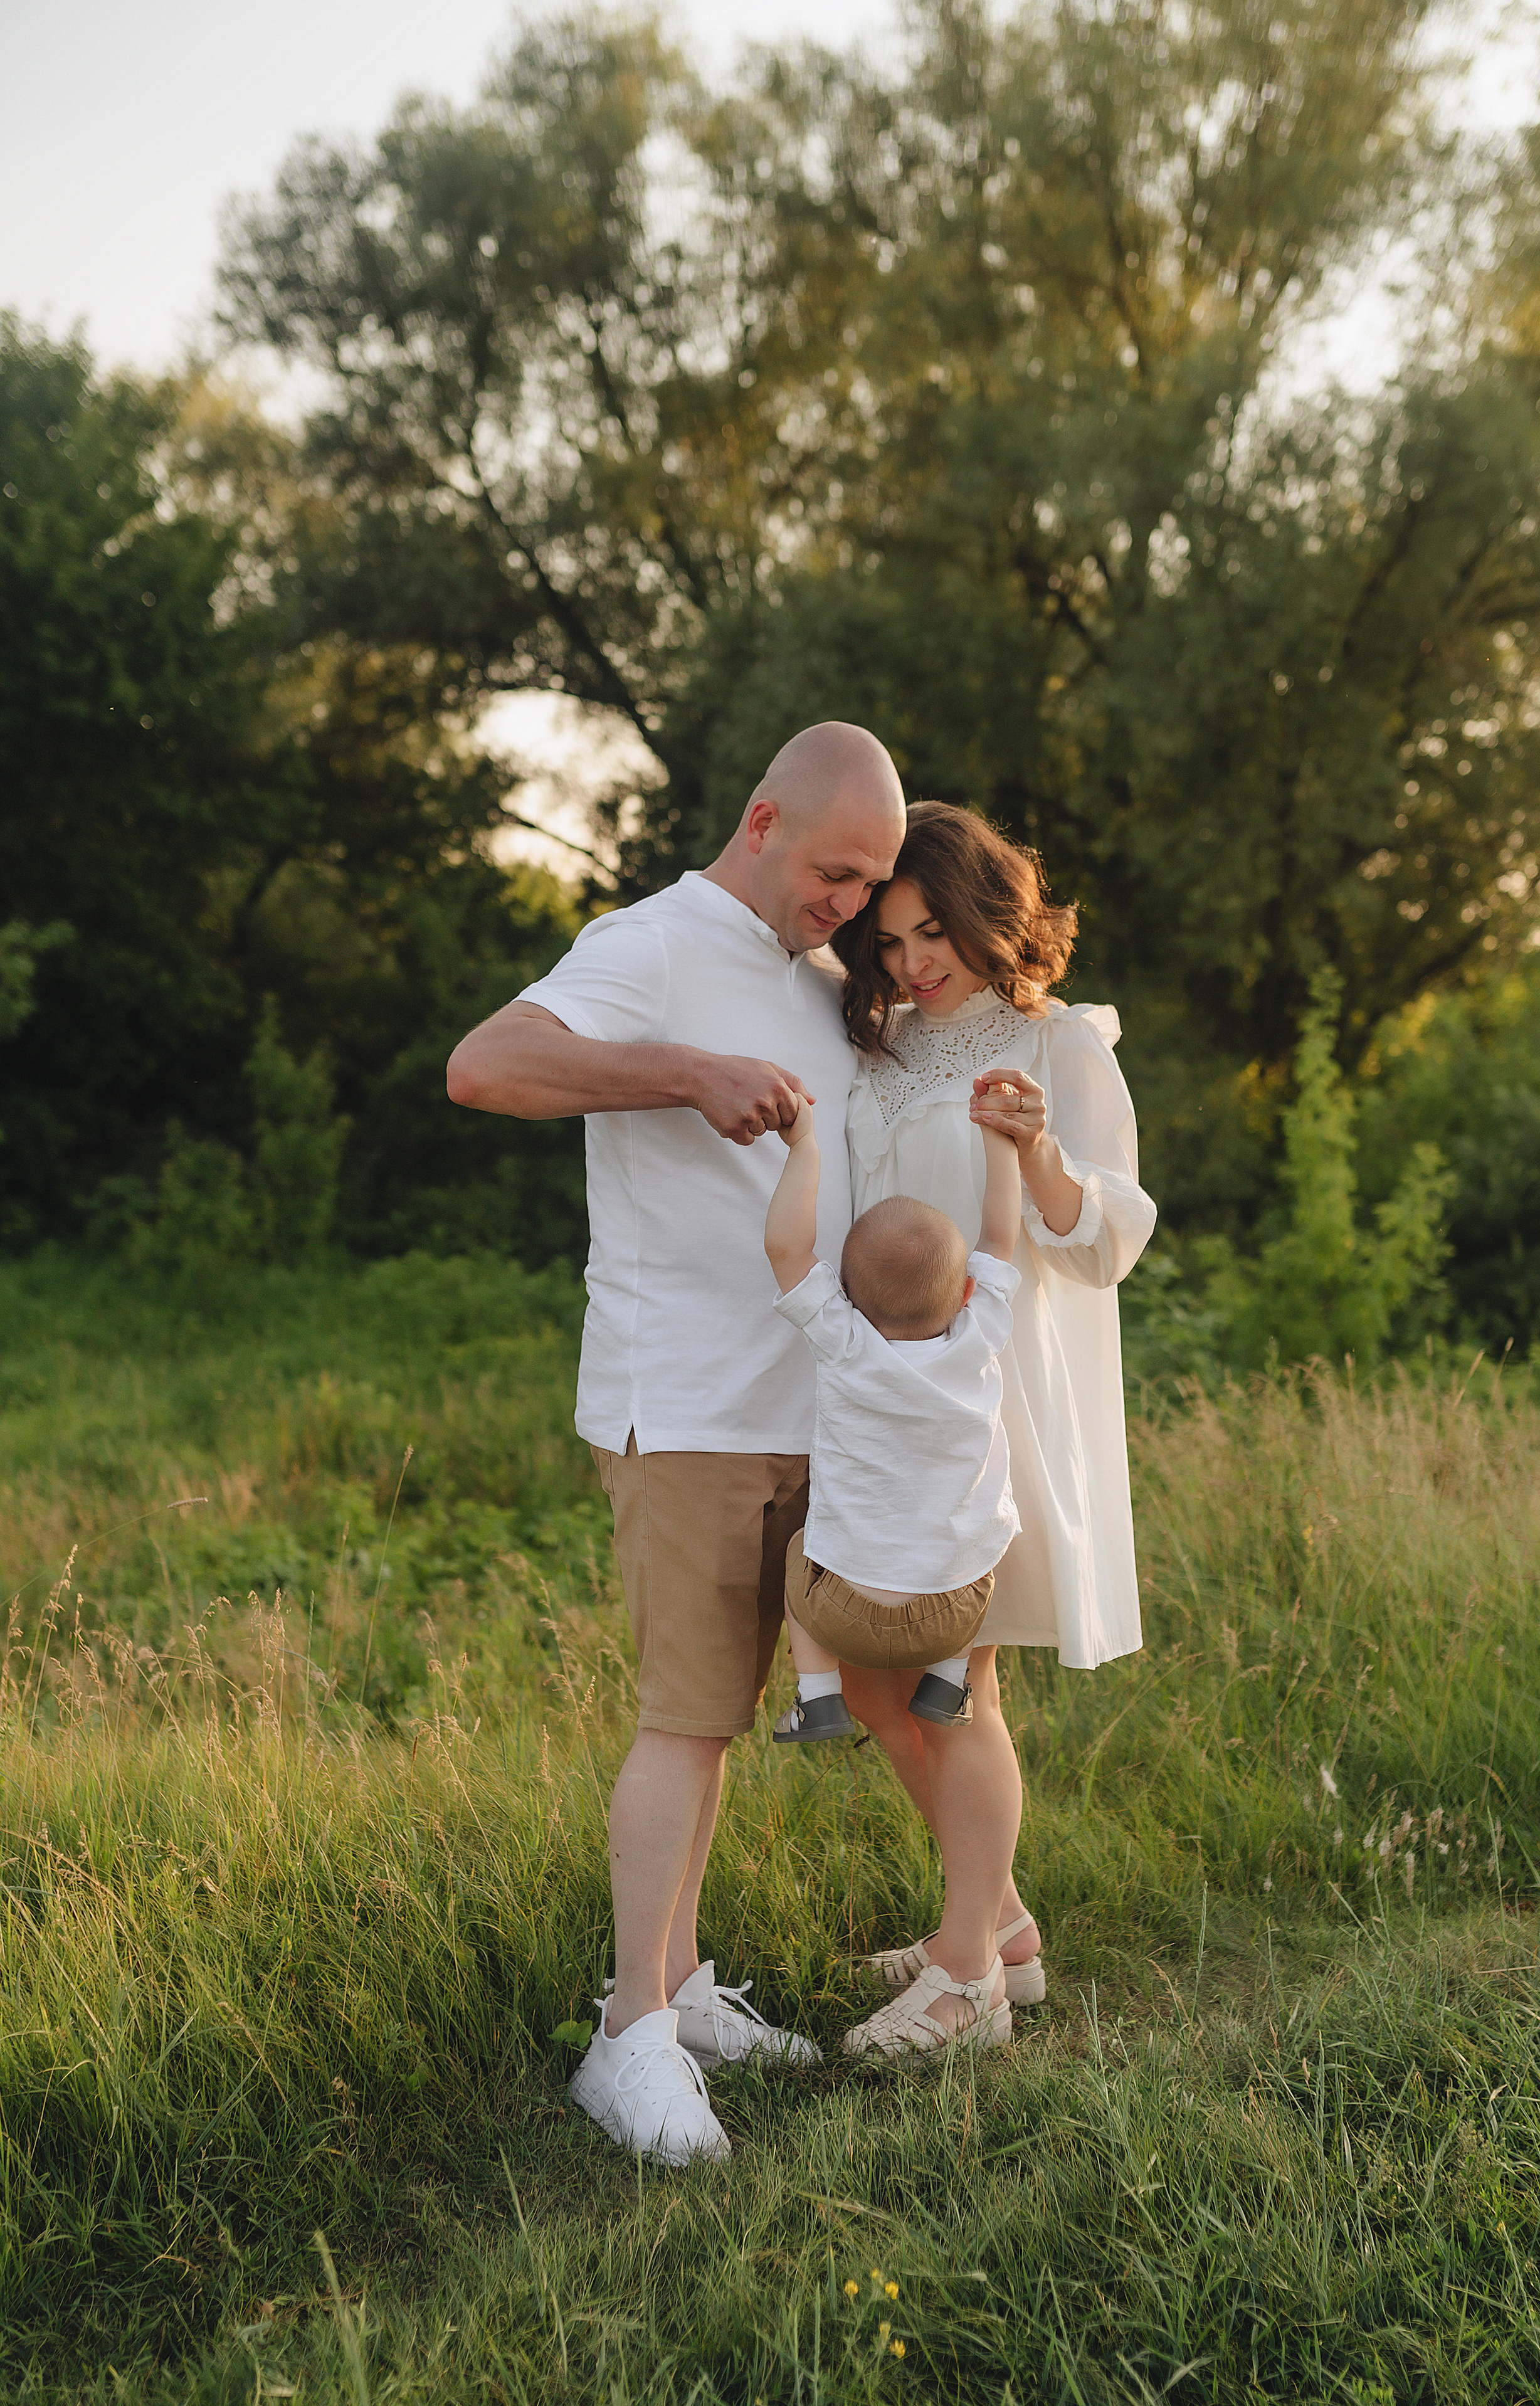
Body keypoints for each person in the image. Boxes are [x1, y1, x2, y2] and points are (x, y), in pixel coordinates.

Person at [446, 720, 905, 2165]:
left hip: (801, 1406)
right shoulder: (647, 942)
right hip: (688, 1404)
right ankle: (625, 2040)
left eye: (870, 882)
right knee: (681, 1718)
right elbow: (486, 1065)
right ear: (762, 821)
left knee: (717, 1723)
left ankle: (682, 1989)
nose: (851, 903)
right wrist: (685, 1074)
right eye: (837, 871)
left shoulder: (824, 976)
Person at [830, 800, 1158, 2021]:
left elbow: (1109, 1234)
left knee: (948, 1681)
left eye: (930, 932)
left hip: (987, 1398)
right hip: (879, 1397)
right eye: (890, 939)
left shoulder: (1058, 1038)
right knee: (875, 1674)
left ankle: (968, 1971)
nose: (912, 961)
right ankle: (999, 1916)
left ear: (981, 913)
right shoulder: (875, 1044)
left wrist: (1037, 1157)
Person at [763, 1094, 1023, 1744]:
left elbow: (786, 1248)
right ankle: (948, 1679)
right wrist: (999, 1136)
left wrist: (804, 1147)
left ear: (847, 1297)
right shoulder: (980, 1333)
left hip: (843, 1613)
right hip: (954, 1613)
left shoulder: (843, 1341)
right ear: (965, 1291)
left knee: (799, 1548)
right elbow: (1001, 1235)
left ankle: (818, 1696)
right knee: (990, 1537)